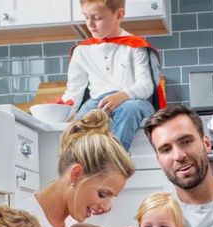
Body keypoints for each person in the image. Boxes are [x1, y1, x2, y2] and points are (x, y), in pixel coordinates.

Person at [62, 0, 166, 151]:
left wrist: (121, 96)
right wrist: (60, 112)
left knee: (129, 109)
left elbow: (146, 86)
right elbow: (74, 91)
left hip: (135, 101)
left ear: (119, 15)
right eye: (86, 17)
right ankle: (84, 164)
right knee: (85, 115)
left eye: (97, 18)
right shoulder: (81, 51)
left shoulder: (135, 45)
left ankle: (114, 162)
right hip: (98, 102)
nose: (90, 24)